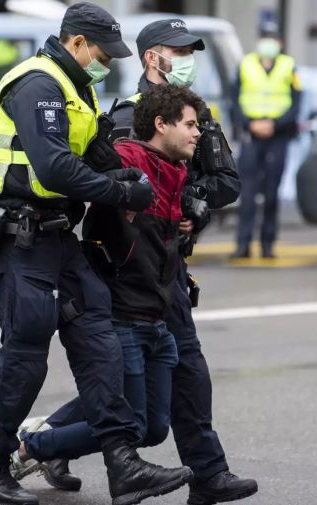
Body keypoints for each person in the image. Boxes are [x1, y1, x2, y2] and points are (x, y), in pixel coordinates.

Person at [20, 19, 257, 505]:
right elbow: (115, 189)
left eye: (191, 51)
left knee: (153, 389)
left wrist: (194, 205)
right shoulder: (129, 118)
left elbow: (224, 183)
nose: (188, 59)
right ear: (153, 57)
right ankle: (46, 444)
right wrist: (171, 209)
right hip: (135, 270)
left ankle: (53, 442)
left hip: (167, 264)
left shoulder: (197, 113)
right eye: (179, 51)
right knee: (153, 390)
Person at [0, 4, 192, 505]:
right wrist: (119, 192)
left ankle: (123, 465)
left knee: (101, 343)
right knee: (26, 355)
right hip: (18, 240)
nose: (107, 63)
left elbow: (96, 155)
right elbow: (53, 169)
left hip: (57, 237)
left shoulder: (77, 89)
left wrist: (135, 177)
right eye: (102, 54)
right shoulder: (38, 85)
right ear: (76, 43)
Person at [11, 83, 203, 500]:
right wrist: (121, 189)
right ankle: (30, 448)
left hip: (157, 316)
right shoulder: (131, 158)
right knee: (129, 422)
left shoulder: (176, 170)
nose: (197, 132)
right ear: (160, 124)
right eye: (190, 124)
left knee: (153, 428)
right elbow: (94, 179)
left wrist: (192, 220)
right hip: (123, 314)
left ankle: (45, 443)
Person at [231, 19, 302, 259]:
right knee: (248, 193)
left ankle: (267, 244)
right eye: (265, 37)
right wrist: (250, 124)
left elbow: (296, 103)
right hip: (251, 135)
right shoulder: (246, 64)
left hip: (277, 136)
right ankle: (243, 244)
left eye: (272, 38)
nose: (268, 43)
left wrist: (275, 124)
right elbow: (235, 100)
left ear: (279, 42)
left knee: (272, 193)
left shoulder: (289, 66)